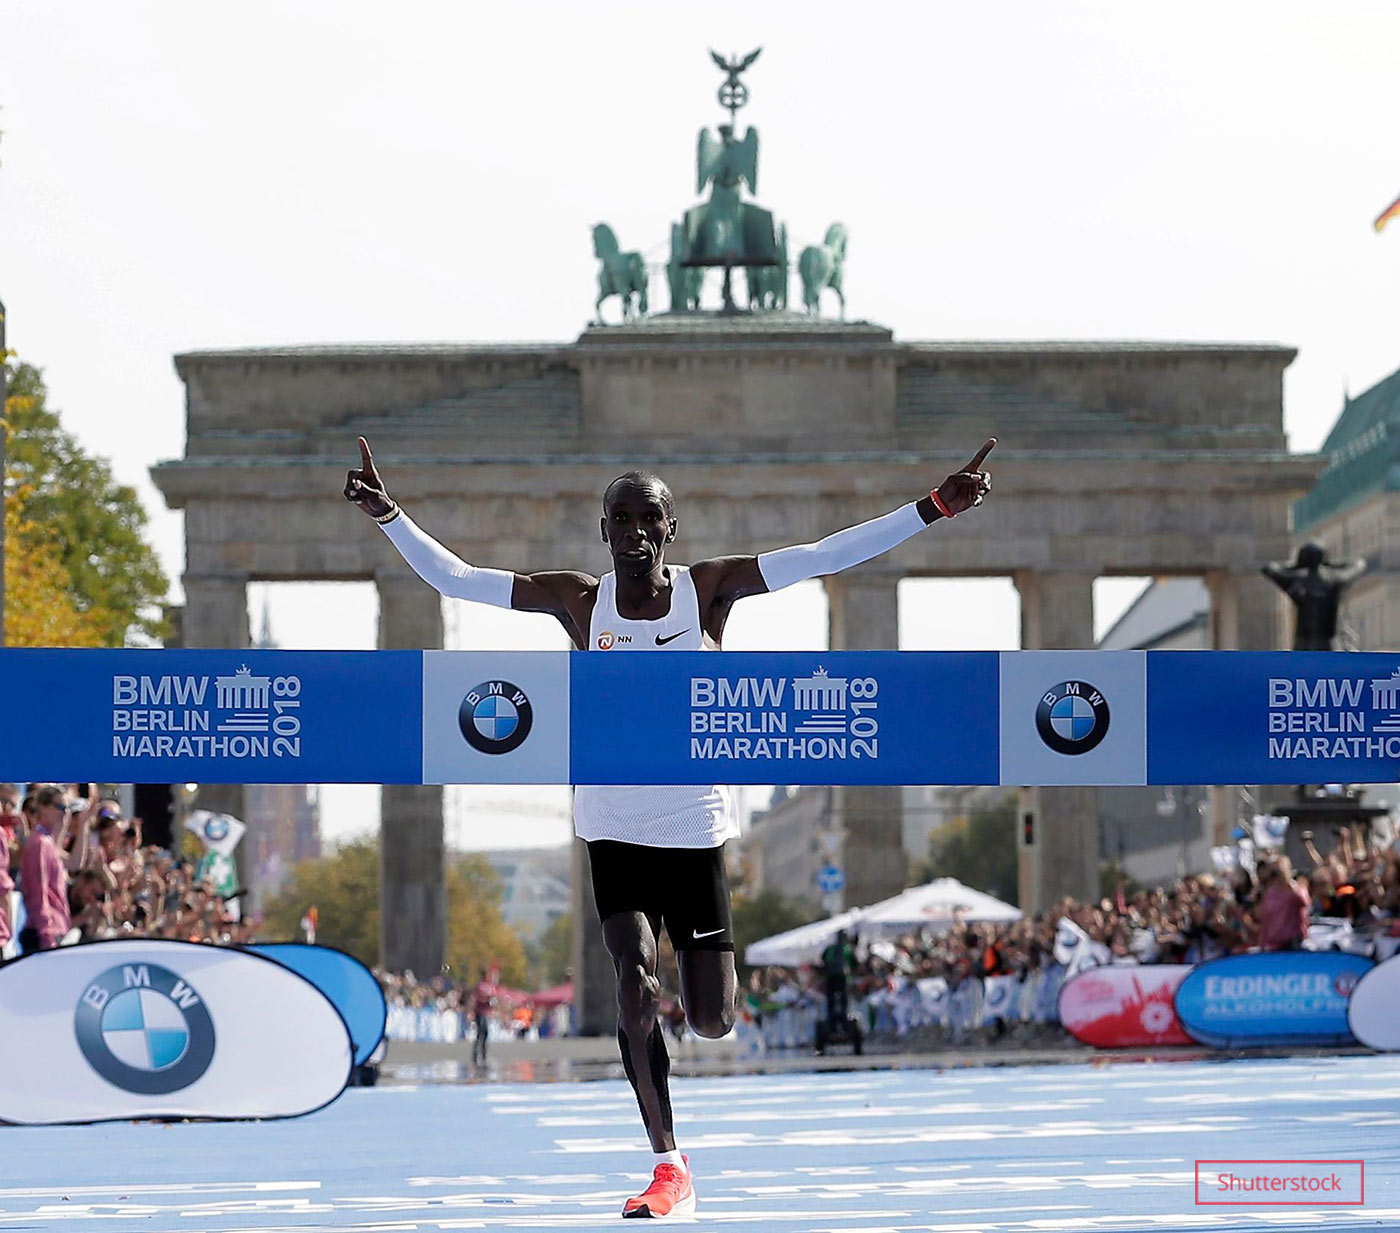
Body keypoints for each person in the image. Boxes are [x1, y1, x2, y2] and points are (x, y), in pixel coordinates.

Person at [344, 434, 995, 1219]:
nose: (634, 531)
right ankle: (667, 1162)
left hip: (692, 831)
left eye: (648, 517)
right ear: (604, 531)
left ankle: (699, 1024)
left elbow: (824, 555)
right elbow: (458, 579)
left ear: (670, 528)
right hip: (612, 828)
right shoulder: (580, 602)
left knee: (713, 1019)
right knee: (633, 983)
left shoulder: (708, 591)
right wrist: (389, 515)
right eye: (620, 519)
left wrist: (933, 507)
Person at [471, 969, 495, 1067]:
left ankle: (483, 1054)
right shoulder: (480, 986)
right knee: (480, 1033)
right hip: (480, 1012)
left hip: (486, 1012)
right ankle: (475, 1055)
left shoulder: (489, 986)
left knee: (485, 1034)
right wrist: (487, 999)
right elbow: (479, 998)